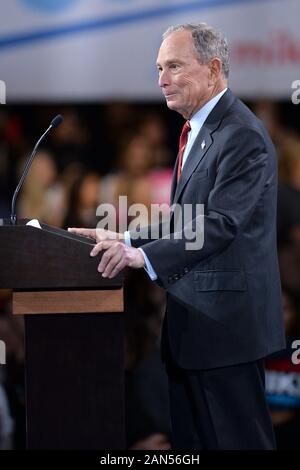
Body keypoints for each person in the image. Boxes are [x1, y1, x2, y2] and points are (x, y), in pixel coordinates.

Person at [69, 23, 285, 449]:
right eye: (159, 68)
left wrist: (145, 260)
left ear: (213, 68)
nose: (161, 79)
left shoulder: (241, 134)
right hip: (195, 333)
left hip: (227, 334)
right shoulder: (200, 131)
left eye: (174, 66)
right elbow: (186, 218)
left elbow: (220, 223)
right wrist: (125, 239)